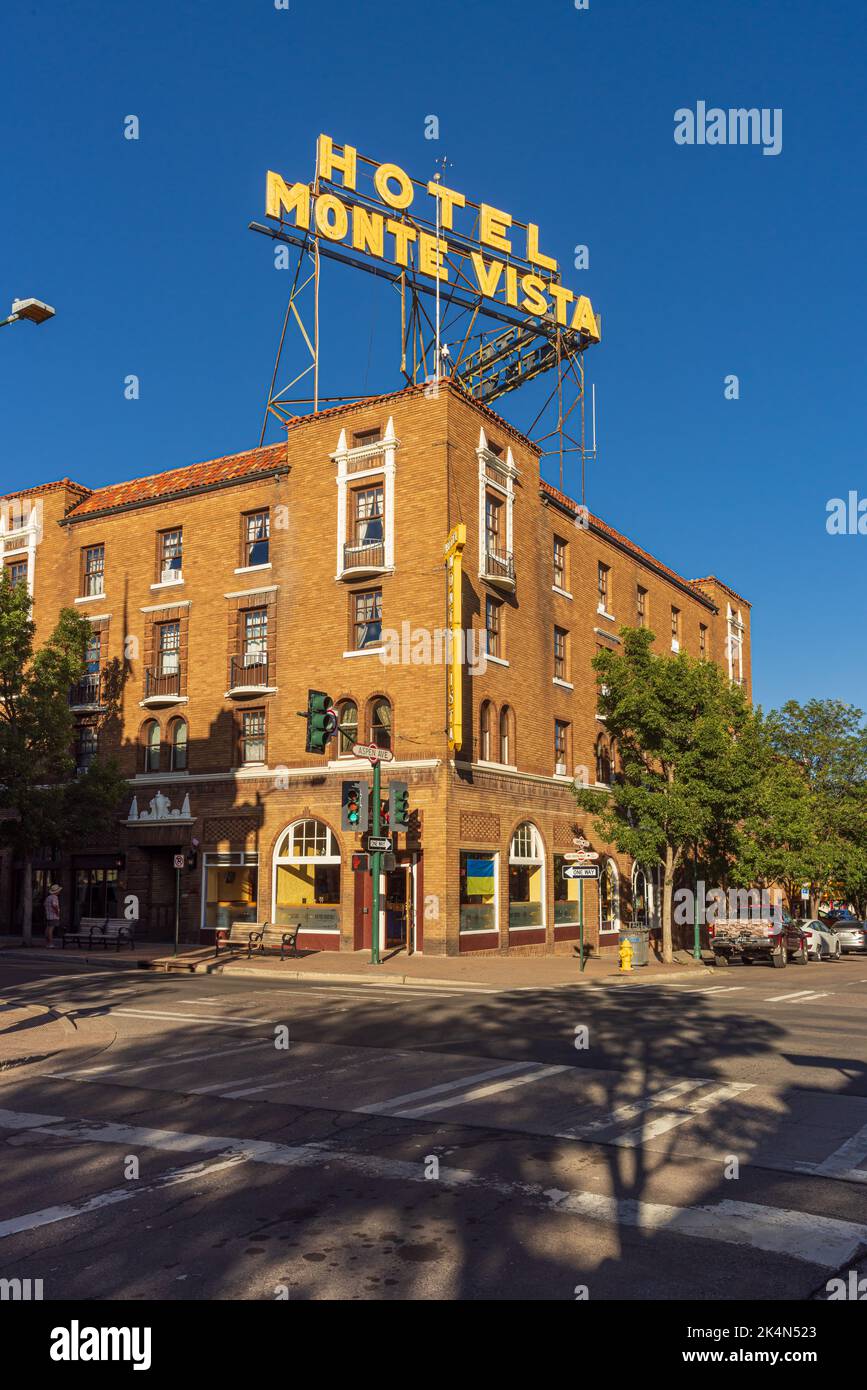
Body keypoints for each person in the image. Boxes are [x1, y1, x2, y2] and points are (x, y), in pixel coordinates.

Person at [43, 883, 61, 947]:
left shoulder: (48, 897)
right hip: (53, 915)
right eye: (59, 890)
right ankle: (50, 943)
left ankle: (47, 943)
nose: (59, 891)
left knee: (47, 929)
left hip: (48, 915)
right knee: (51, 930)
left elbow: (44, 905)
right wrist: (57, 913)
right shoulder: (55, 897)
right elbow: (54, 906)